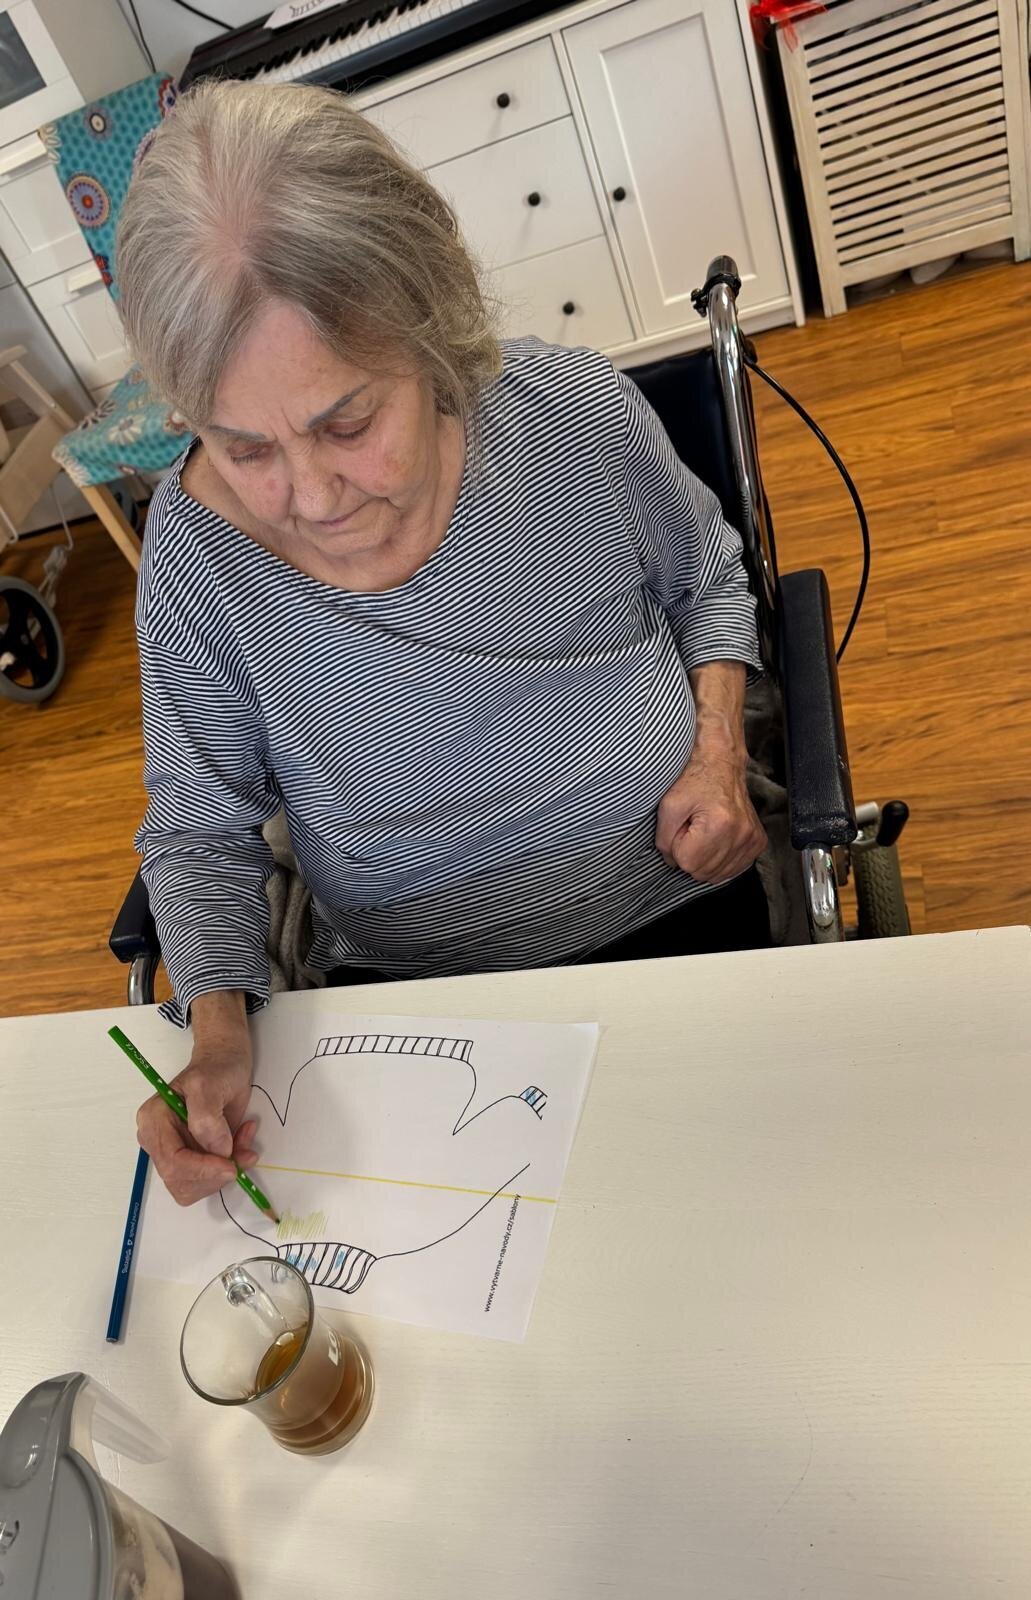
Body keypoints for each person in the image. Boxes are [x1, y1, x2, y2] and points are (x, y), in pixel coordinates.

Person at [119, 80, 768, 1207]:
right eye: (244, 449)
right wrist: (217, 1034)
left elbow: (707, 576)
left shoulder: (573, 417)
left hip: (676, 907)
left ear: (429, 328)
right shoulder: (193, 556)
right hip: (409, 1000)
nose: (310, 496)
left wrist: (717, 754)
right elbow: (199, 826)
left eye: (346, 423)